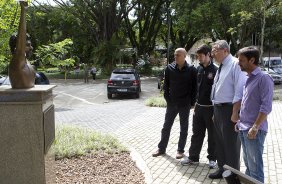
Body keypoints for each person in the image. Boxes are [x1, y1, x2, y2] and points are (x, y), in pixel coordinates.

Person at [209, 40, 247, 179]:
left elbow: (240, 90)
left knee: (231, 145)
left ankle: (233, 175)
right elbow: (217, 90)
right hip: (218, 109)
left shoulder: (235, 64)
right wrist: (214, 110)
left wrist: (235, 112)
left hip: (229, 109)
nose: (212, 54)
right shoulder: (221, 66)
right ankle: (222, 169)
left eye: (215, 51)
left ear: (225, 50)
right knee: (219, 142)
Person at [236, 46, 273, 183]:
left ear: (252, 60)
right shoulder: (248, 78)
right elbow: (248, 104)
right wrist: (240, 122)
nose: (238, 62)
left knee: (255, 169)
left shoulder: (264, 78)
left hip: (254, 131)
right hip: (244, 128)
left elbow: (266, 107)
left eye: (241, 60)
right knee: (249, 168)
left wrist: (255, 126)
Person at [152, 48, 197, 159]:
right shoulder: (169, 68)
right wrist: (168, 99)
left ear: (184, 56)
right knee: (166, 126)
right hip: (172, 103)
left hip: (185, 104)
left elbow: (195, 88)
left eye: (178, 55)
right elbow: (165, 86)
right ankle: (161, 148)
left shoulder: (192, 70)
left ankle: (180, 150)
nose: (175, 57)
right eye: (175, 55)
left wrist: (191, 102)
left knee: (184, 128)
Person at [181, 44, 217, 168]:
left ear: (209, 55)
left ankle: (212, 159)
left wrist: (215, 111)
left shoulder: (216, 71)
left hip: (211, 109)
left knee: (212, 135)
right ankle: (193, 157)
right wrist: (195, 104)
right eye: (198, 56)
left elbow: (217, 92)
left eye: (201, 56)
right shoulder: (199, 70)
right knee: (196, 134)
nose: (199, 58)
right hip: (199, 107)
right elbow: (197, 89)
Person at [9, 1, 35, 89]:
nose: (31, 48)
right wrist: (23, 11)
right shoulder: (17, 61)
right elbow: (21, 42)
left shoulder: (25, 62)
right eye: (27, 45)